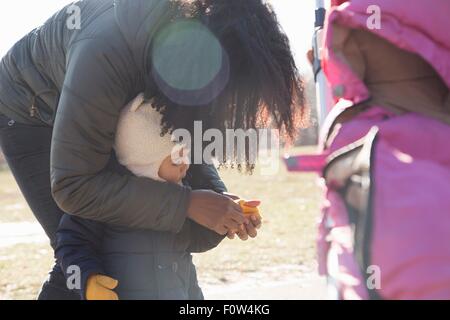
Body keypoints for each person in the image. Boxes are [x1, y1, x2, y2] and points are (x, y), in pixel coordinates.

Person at [0, 0, 304, 299]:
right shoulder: (107, 50)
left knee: (139, 224)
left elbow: (177, 137)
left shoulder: (189, 50)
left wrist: (220, 206)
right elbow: (73, 186)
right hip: (31, 111)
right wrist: (187, 203)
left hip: (97, 94)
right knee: (86, 254)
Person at [55, 93, 261, 300]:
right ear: (145, 162)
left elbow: (196, 240)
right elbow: (70, 244)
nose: (186, 164)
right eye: (175, 160)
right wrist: (87, 282)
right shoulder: (106, 199)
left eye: (186, 155)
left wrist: (226, 217)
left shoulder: (184, 196)